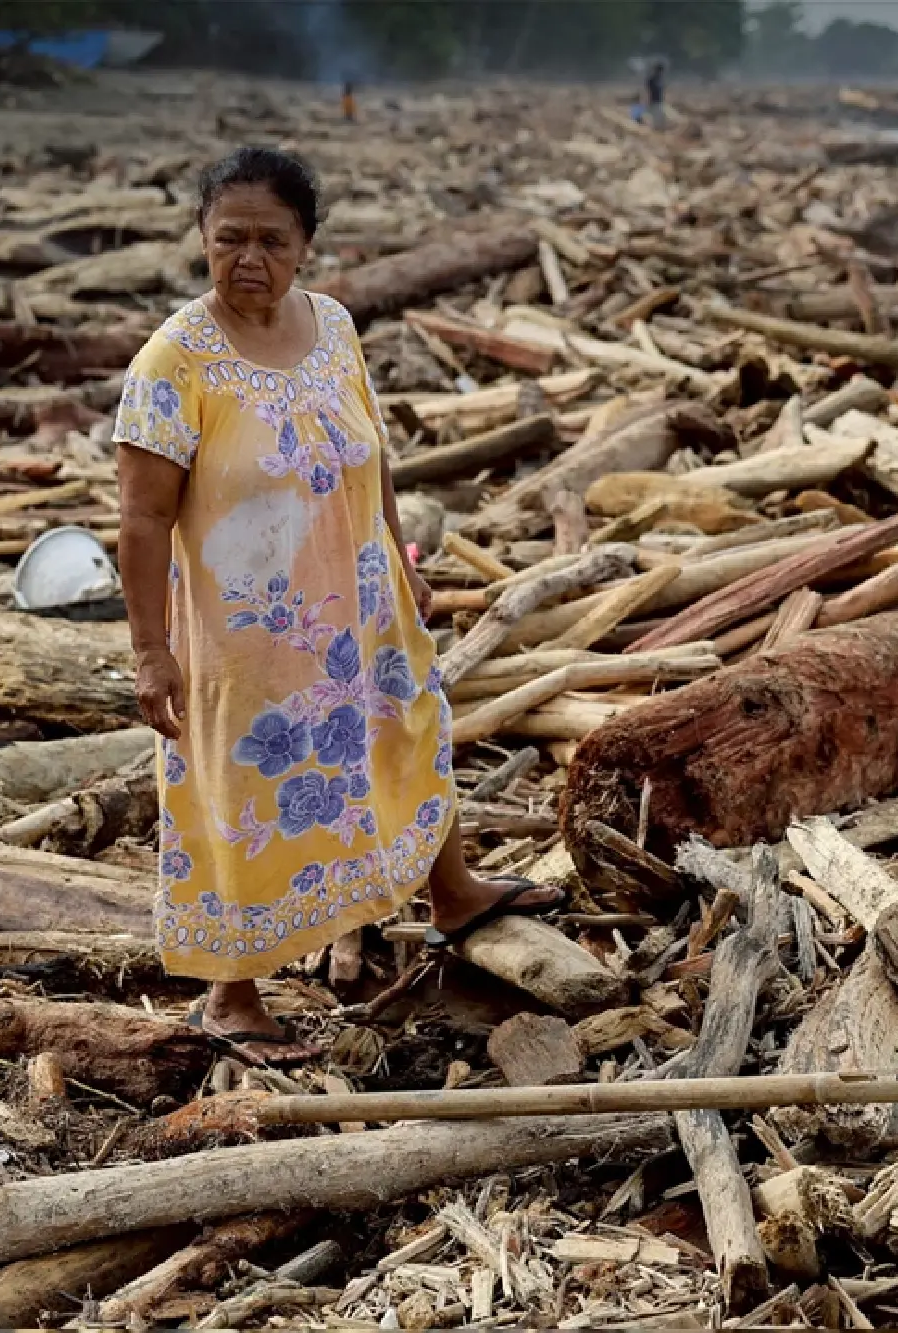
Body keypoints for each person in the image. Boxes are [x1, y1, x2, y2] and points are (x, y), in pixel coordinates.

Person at [113, 148, 563, 1062]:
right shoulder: (173, 362)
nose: (248, 257)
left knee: (409, 731)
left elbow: (374, 456)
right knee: (241, 791)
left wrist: (400, 556)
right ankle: (232, 993)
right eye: (227, 237)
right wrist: (151, 650)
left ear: (306, 246)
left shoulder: (333, 329)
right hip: (250, 634)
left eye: (270, 240)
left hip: (358, 603)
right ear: (200, 239)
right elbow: (142, 518)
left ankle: (454, 892)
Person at [643, 58, 668, 130]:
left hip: (660, 102)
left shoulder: (660, 80)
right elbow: (648, 91)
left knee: (661, 119)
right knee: (656, 119)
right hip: (654, 102)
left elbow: (663, 91)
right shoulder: (652, 80)